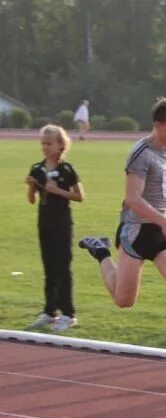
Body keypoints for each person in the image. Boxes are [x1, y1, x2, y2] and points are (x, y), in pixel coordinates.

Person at [78, 97, 166, 375]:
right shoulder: (142, 153)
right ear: (158, 125)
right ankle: (101, 251)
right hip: (136, 232)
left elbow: (161, 192)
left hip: (162, 231)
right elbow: (133, 199)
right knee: (124, 300)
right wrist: (164, 221)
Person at [25, 125, 85, 332]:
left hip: (62, 222)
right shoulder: (37, 168)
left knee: (63, 267)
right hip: (44, 222)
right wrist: (32, 186)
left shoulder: (66, 169)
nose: (45, 147)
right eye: (43, 143)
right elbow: (32, 200)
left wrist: (58, 190)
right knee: (49, 267)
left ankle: (68, 314)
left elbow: (80, 196)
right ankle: (49, 311)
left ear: (61, 145)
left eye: (49, 143)